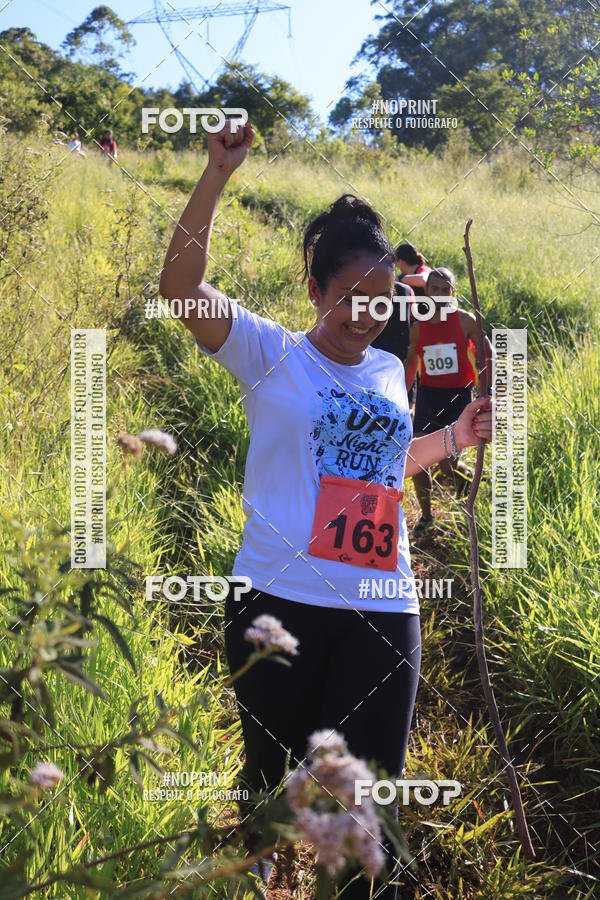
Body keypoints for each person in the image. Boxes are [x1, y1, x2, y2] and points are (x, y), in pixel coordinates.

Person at [158, 119, 492, 899]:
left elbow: (377, 471)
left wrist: (449, 440)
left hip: (382, 605)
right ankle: (257, 864)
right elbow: (177, 289)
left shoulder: (385, 368)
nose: (366, 313)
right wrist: (216, 175)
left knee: (362, 809)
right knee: (269, 784)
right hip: (278, 604)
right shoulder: (268, 352)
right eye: (349, 297)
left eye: (380, 299)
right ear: (314, 289)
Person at [404, 267, 493, 536]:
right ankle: (427, 516)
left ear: (453, 293)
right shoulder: (417, 329)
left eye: (446, 290)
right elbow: (411, 364)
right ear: (427, 292)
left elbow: (486, 354)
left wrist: (485, 388)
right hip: (429, 395)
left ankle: (468, 483)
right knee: (418, 458)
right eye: (435, 289)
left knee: (447, 465)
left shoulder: (465, 320)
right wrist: (399, 397)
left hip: (458, 396)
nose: (440, 295)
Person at [370, 278, 417, 414]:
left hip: (375, 350)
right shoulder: (407, 290)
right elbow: (414, 319)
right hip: (400, 351)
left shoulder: (369, 286)